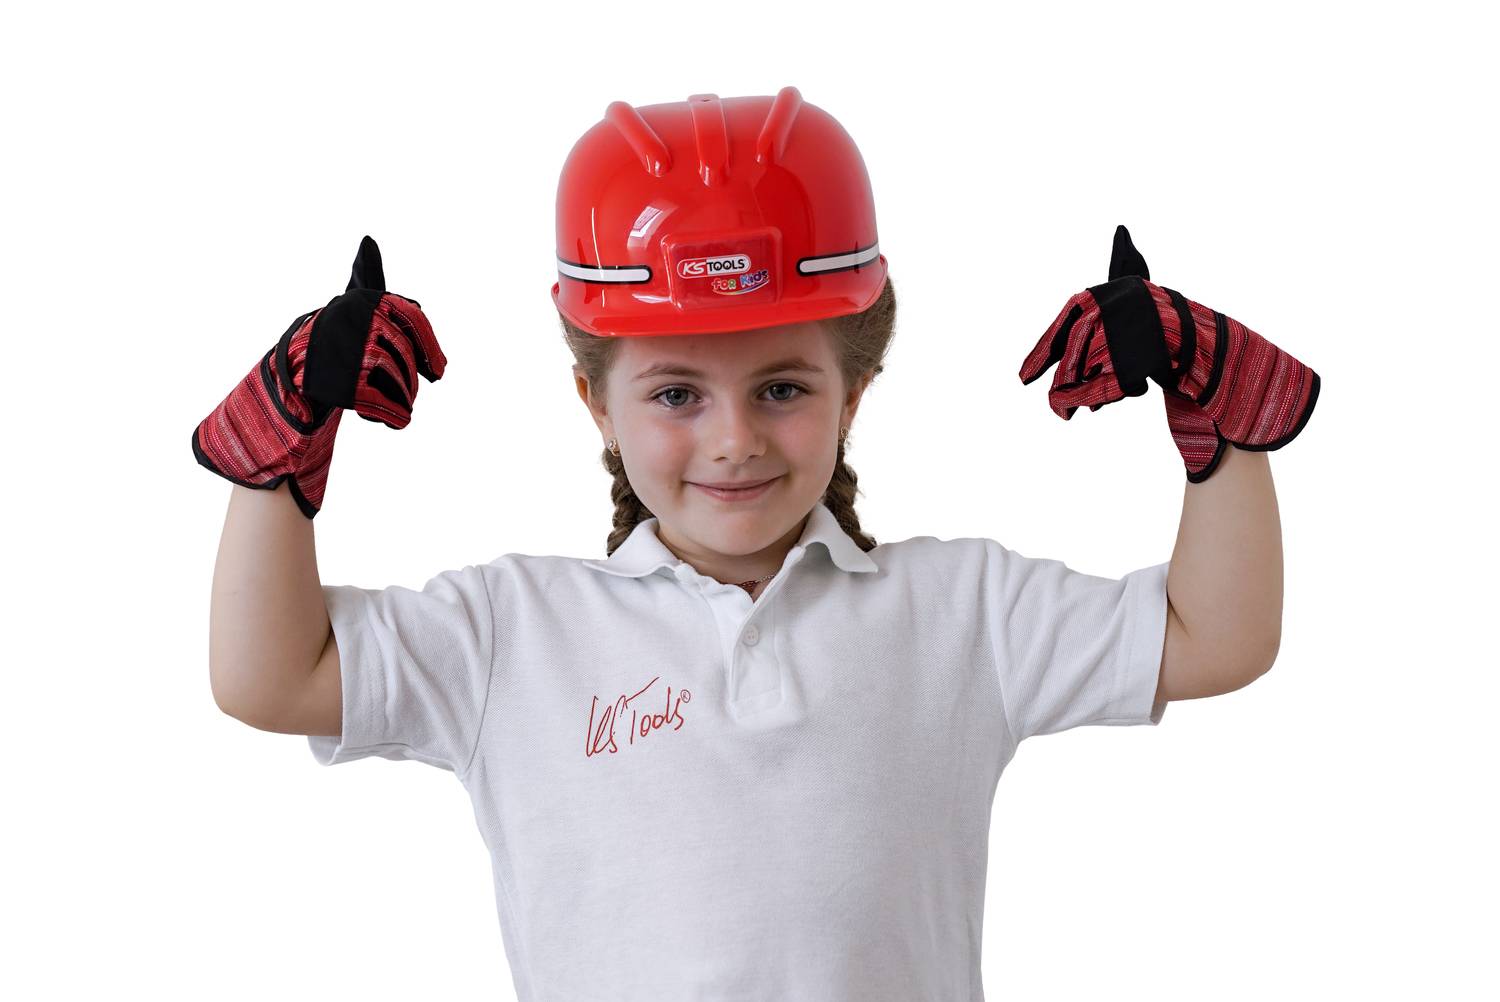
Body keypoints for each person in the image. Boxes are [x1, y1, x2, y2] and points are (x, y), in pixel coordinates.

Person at [197, 87, 1319, 1001]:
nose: (733, 441)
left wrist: (1223, 425)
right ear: (595, 402)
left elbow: (1215, 637)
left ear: (855, 392)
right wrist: (278, 459)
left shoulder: (962, 612)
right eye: (676, 392)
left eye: (782, 386)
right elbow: (273, 676)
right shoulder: (512, 635)